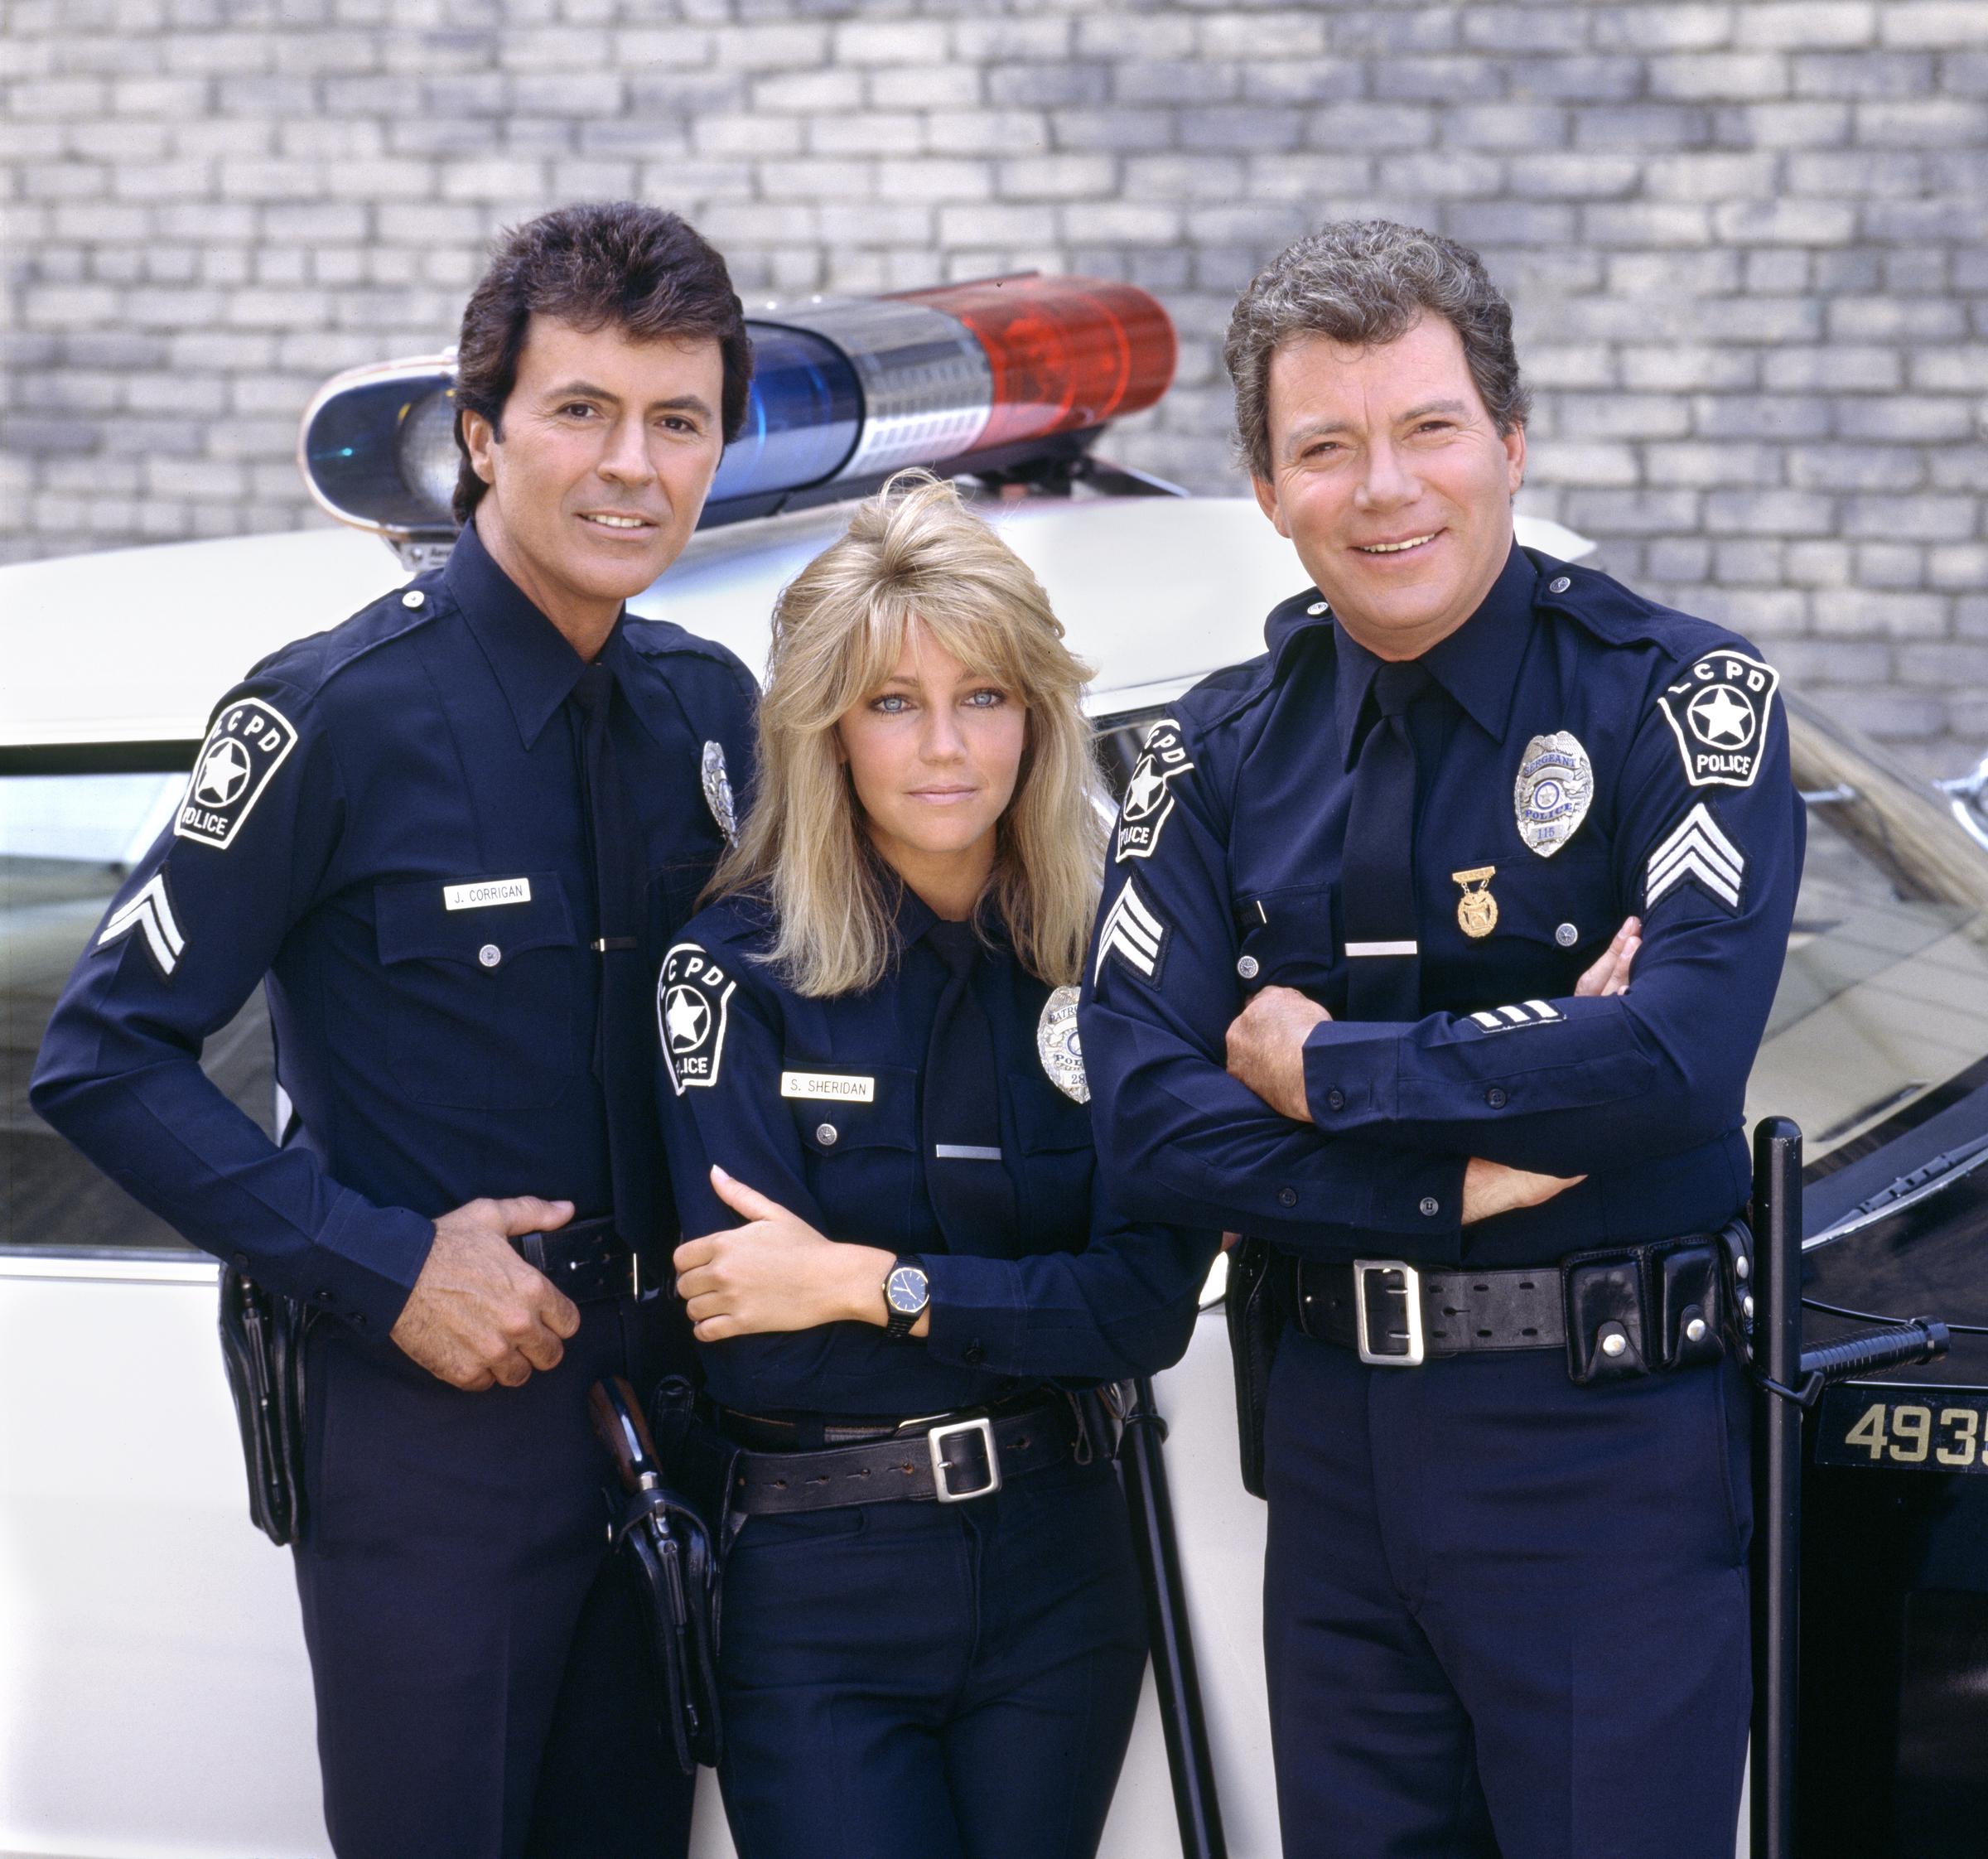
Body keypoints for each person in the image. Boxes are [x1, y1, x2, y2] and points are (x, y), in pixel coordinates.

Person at [30, 201, 757, 1859]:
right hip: (432, 1450)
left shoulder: (711, 715)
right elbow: (102, 1053)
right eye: (581, 412)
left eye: (678, 420)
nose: (631, 465)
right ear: (482, 436)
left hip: (666, 1428)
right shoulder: (332, 714)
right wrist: (383, 1266)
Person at [1081, 220, 1804, 1859]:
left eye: (1426, 430)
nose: (1385, 489)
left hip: (1604, 1468)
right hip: (1333, 1470)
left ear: (1510, 443)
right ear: (1269, 490)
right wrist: (1453, 1180)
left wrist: (1329, 1071)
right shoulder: (1214, 751)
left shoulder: (1674, 701)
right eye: (1326, 448)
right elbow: (1141, 1116)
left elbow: (1677, 1057)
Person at [651, 471, 1219, 1859]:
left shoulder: (1121, 968)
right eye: (894, 704)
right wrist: (1026, 1310)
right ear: (828, 735)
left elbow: (1144, 1313)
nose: (949, 746)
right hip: (820, 1585)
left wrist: (864, 1280)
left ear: (1038, 713)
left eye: (987, 696)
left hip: (1063, 1570)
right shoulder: (734, 979)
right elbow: (759, 1348)